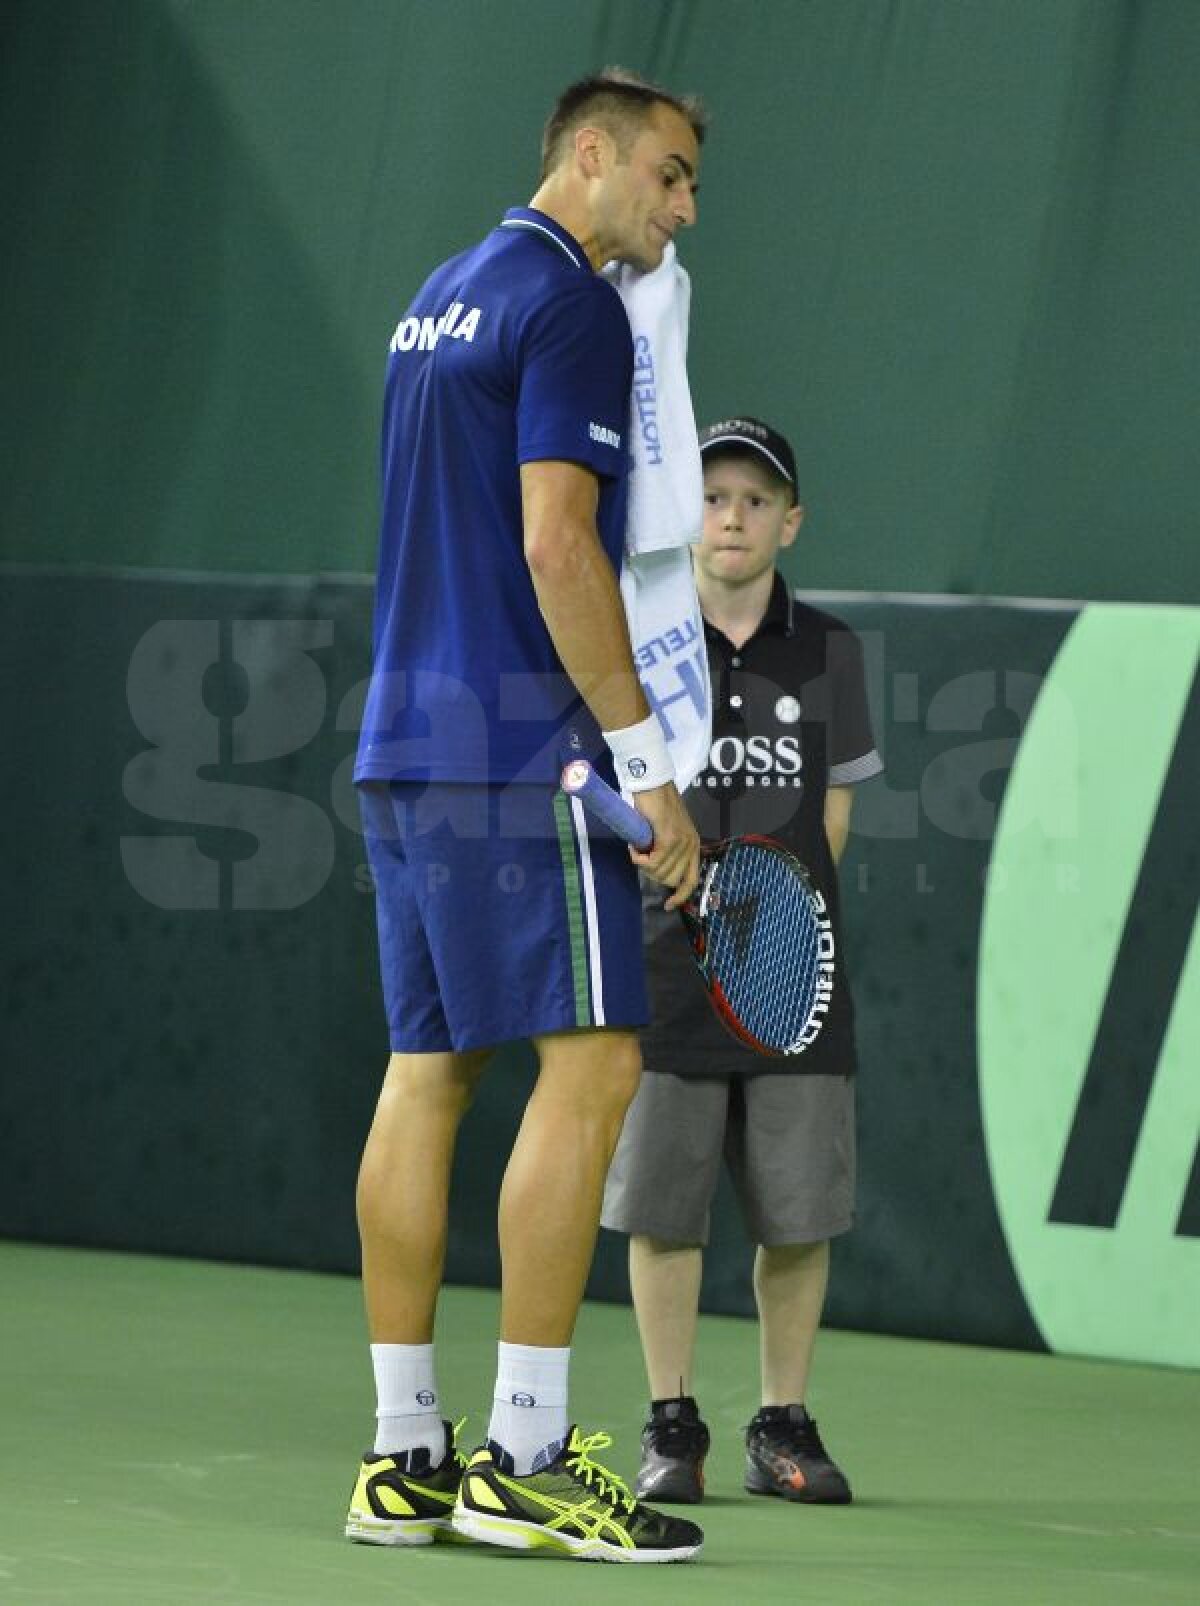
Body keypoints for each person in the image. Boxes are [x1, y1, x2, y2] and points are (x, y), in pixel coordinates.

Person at [345, 70, 709, 1564]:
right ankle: (528, 1456)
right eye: (671, 178)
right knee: (599, 1061)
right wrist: (642, 753)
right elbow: (560, 543)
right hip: (521, 747)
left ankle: (401, 1451)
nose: (683, 212)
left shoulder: (439, 293)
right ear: (591, 155)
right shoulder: (574, 308)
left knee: (427, 1069)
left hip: (402, 737)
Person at [601, 415, 883, 1506]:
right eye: (714, 496)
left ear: (790, 522)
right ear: (690, 515)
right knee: (664, 1212)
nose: (732, 516)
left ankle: (783, 1426)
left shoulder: (832, 651)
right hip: (661, 975)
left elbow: (839, 819)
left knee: (798, 1217)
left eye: (757, 500)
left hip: (791, 981)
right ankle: (673, 1424)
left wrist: (768, 919)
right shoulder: (634, 641)